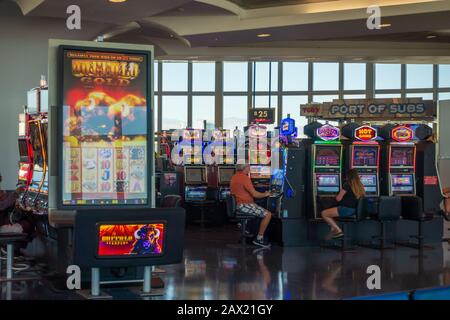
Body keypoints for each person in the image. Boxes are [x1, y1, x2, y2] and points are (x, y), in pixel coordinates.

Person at [230, 164, 272, 248]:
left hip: (240, 205)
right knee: (268, 214)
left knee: (257, 207)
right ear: (244, 168)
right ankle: (259, 239)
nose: (250, 168)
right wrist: (266, 194)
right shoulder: (244, 178)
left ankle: (246, 228)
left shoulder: (234, 177)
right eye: (248, 166)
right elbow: (255, 194)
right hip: (243, 205)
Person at [321, 168, 366, 240]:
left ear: (348, 176)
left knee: (324, 213)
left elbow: (338, 198)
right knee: (331, 213)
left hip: (345, 209)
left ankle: (338, 230)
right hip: (355, 210)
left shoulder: (347, 184)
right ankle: (333, 229)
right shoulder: (360, 186)